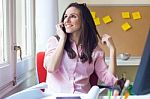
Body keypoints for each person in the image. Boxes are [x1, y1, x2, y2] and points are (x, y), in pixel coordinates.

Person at [44, 2, 117, 94]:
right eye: (66, 16)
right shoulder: (54, 41)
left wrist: (112, 50)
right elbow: (51, 68)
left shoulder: (94, 50)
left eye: (73, 16)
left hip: (82, 96)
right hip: (56, 96)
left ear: (84, 21)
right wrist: (62, 39)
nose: (67, 20)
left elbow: (109, 81)